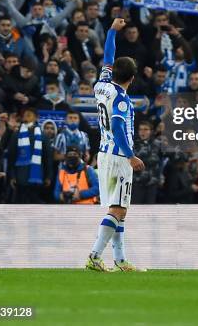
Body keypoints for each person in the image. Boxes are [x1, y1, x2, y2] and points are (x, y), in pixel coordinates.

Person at [86, 18, 146, 273]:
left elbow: (108, 57)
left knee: (119, 210)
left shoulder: (102, 85)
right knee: (118, 208)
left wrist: (111, 30)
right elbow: (119, 128)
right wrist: (131, 156)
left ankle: (120, 260)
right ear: (132, 78)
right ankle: (94, 255)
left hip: (103, 154)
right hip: (120, 156)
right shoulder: (121, 99)